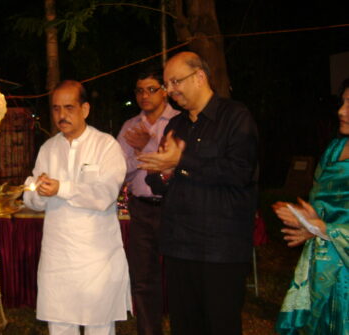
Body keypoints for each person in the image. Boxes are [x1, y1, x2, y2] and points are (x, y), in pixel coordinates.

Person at [137, 51, 259, 335]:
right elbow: (160, 185)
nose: (170, 90)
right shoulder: (176, 125)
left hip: (221, 249)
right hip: (180, 245)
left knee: (220, 325)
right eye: (167, 84)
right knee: (185, 326)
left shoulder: (235, 117)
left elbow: (239, 173)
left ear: (200, 77)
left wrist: (181, 162)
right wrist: (162, 173)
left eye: (175, 81)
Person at [23, 80, 131, 335]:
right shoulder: (48, 148)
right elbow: (33, 200)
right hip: (58, 256)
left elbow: (105, 194)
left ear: (85, 109)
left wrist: (62, 188)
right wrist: (36, 191)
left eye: (69, 108)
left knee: (99, 325)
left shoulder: (106, 146)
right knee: (60, 325)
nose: (62, 115)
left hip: (97, 258)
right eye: (56, 109)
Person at [272, 78, 349, 334]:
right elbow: (322, 207)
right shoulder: (334, 149)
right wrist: (309, 222)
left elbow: (331, 224)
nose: (341, 111)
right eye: (343, 102)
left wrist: (328, 229)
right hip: (323, 266)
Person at [116, 66, 179, 335]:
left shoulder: (180, 121)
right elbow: (119, 169)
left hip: (175, 209)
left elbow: (176, 164)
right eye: (140, 90)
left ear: (164, 91)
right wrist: (141, 150)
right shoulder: (130, 126)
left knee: (179, 277)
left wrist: (147, 146)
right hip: (141, 208)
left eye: (151, 89)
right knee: (143, 278)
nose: (145, 95)